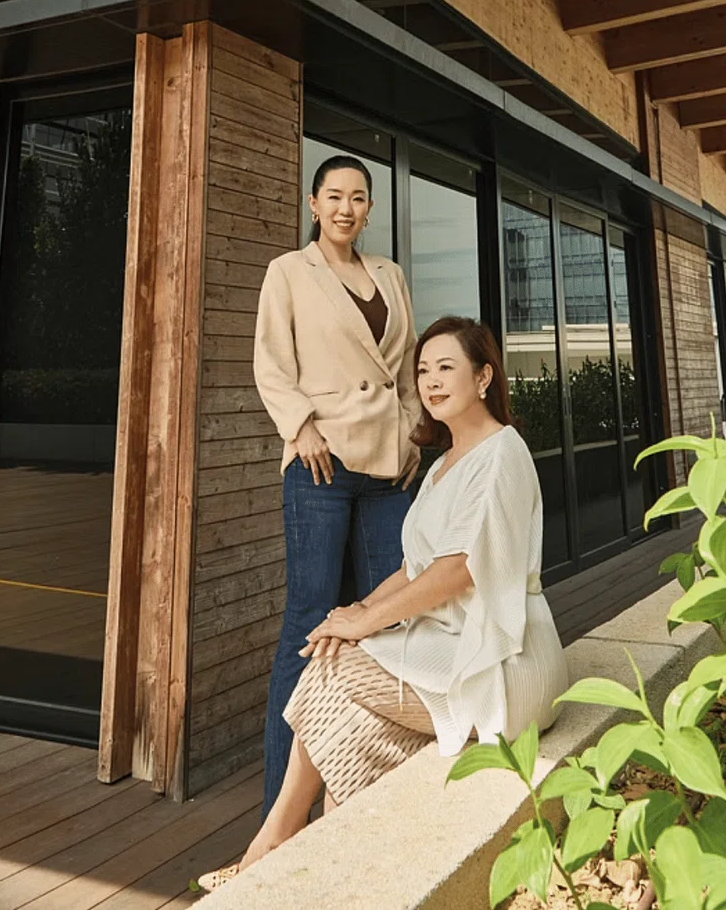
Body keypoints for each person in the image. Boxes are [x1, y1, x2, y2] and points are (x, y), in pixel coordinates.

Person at [198, 316, 568, 889]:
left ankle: (272, 845)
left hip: (506, 656)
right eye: (422, 370)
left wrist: (365, 622)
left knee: (336, 668)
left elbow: (459, 570)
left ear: (484, 376)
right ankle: (318, 861)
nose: (432, 381)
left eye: (447, 367)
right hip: (456, 641)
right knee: (343, 702)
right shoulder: (445, 464)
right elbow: (413, 568)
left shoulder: (501, 454)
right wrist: (352, 614)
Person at [252, 153, 421, 817]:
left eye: (358, 198)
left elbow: (406, 371)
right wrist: (302, 428)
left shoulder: (391, 275)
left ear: (369, 208)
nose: (346, 208)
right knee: (311, 618)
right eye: (334, 196)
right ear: (313, 204)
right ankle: (279, 808)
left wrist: (412, 433)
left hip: (388, 470)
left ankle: (369, 792)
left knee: (385, 620)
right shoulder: (289, 273)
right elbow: (270, 365)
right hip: (320, 467)